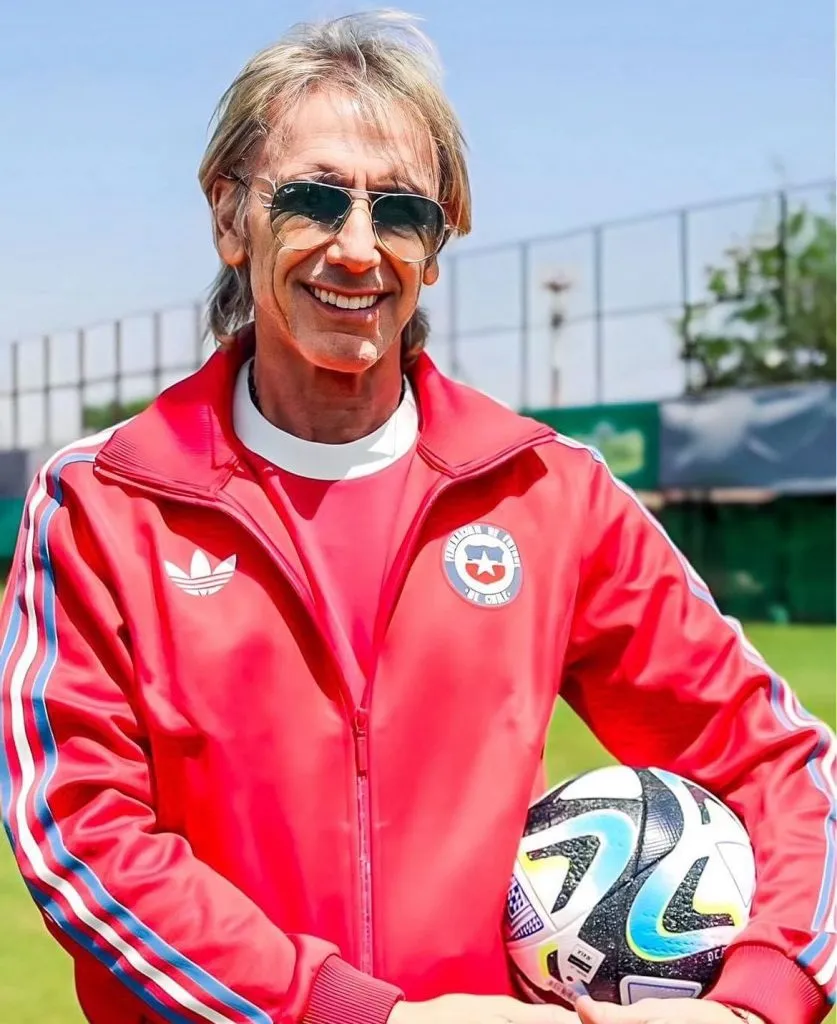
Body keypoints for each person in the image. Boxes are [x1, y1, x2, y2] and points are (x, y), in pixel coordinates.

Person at [0, 11, 833, 1024]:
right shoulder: (104, 501)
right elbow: (81, 834)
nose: (358, 249)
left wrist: (754, 999)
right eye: (312, 199)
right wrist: (353, 1012)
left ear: (437, 243)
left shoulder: (545, 491)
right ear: (228, 215)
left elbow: (780, 765)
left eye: (400, 212)